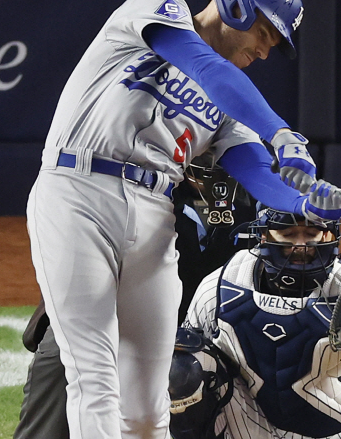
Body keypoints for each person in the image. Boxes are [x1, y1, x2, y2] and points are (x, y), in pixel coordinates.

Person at [25, 0, 341, 439]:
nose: (264, 50)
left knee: (147, 404)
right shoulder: (158, 5)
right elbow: (204, 67)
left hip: (153, 215)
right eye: (263, 32)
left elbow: (255, 170)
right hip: (78, 191)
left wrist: (301, 205)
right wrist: (279, 130)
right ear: (235, 5)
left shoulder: (231, 98)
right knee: (94, 376)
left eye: (273, 44)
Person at [14, 156, 256, 439]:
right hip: (120, 311)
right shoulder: (128, 184)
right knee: (61, 352)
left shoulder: (261, 198)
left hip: (219, 329)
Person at [169, 207, 341, 439]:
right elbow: (182, 356)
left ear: (330, 236)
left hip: (332, 426)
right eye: (288, 234)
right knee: (181, 365)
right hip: (245, 421)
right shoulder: (223, 285)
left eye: (312, 234)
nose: (301, 245)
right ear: (264, 236)